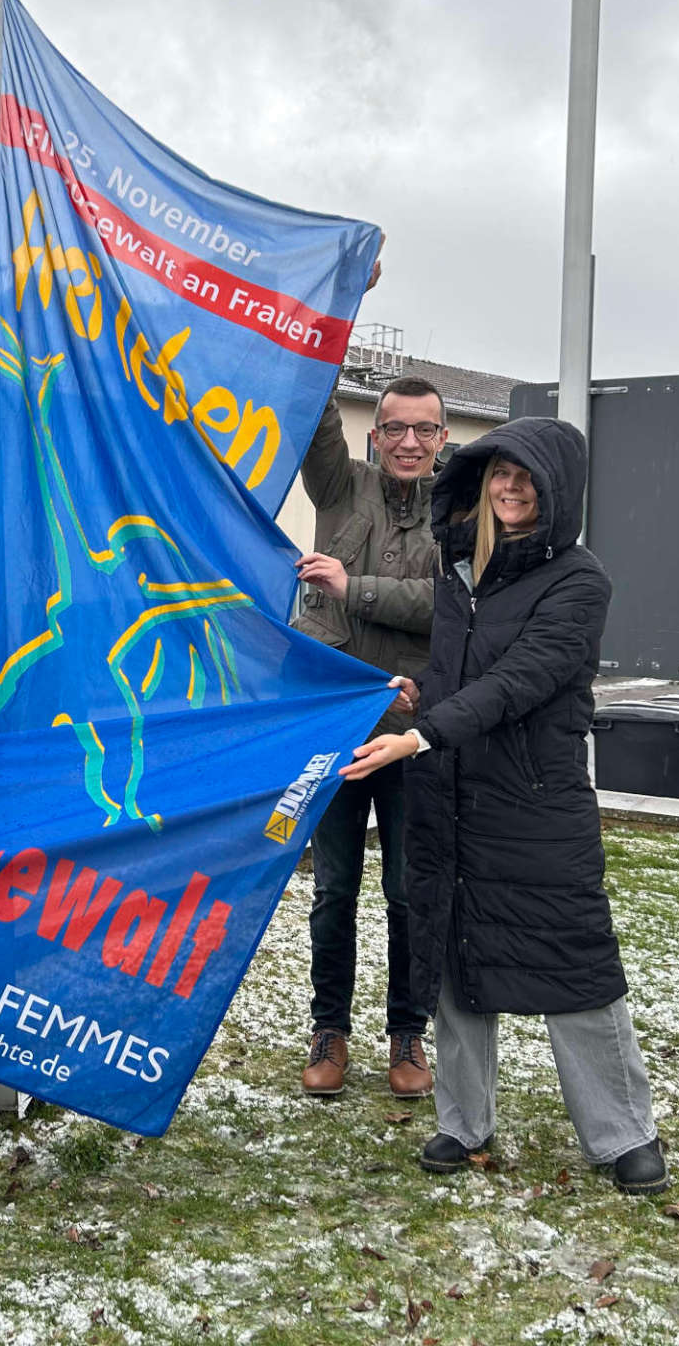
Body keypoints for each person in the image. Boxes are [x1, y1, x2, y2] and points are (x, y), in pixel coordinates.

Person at [342, 417, 669, 1195]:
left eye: (526, 475)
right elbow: (464, 675)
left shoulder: (580, 581)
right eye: (499, 472)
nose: (511, 485)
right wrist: (424, 691)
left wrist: (422, 736)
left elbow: (523, 679)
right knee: (452, 960)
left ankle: (624, 1134)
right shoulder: (462, 573)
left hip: (534, 801)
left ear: (556, 490)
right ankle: (462, 1121)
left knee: (573, 962)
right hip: (449, 795)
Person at [290, 376, 444, 1099]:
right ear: (374, 435)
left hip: (414, 732)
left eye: (425, 430)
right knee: (334, 890)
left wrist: (354, 588)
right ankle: (330, 1029)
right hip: (338, 726)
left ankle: (407, 1033)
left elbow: (448, 609)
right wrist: (340, 286)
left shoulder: (460, 510)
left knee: (410, 892)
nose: (409, 442)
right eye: (396, 429)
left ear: (444, 440)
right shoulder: (337, 486)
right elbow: (313, 394)